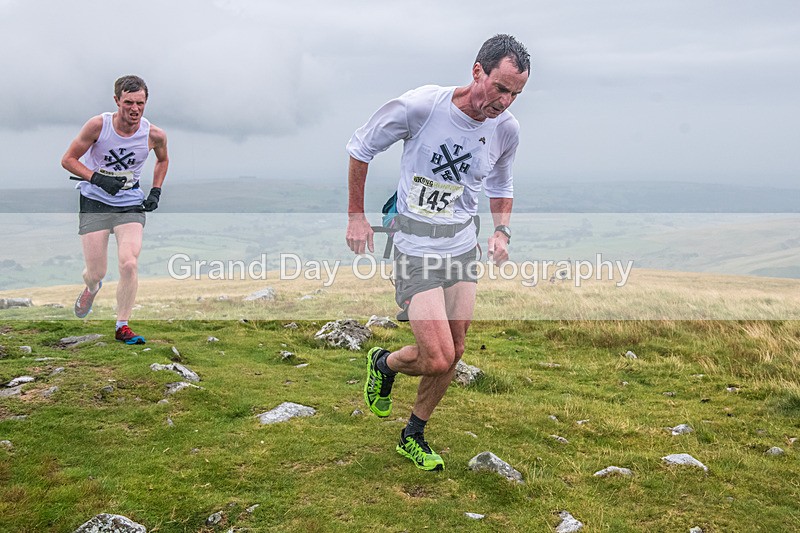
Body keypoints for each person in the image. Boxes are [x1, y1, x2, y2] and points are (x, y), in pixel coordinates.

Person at [346, 35, 530, 470]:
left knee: (457, 349)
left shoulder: (506, 129)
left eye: (516, 94)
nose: (505, 102)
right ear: (477, 71)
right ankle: (384, 363)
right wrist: (356, 214)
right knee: (438, 355)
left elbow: (501, 184)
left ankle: (413, 433)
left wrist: (502, 231)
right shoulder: (422, 107)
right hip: (414, 245)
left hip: (462, 245)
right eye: (501, 88)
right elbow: (361, 147)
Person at [61, 75, 169, 344]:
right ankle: (91, 287)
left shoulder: (154, 134)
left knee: (129, 263)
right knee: (96, 271)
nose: (135, 109)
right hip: (94, 202)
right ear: (117, 100)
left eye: (140, 103)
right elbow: (68, 159)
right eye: (129, 102)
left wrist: (155, 191)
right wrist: (97, 178)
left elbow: (163, 160)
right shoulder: (99, 126)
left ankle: (122, 325)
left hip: (129, 204)